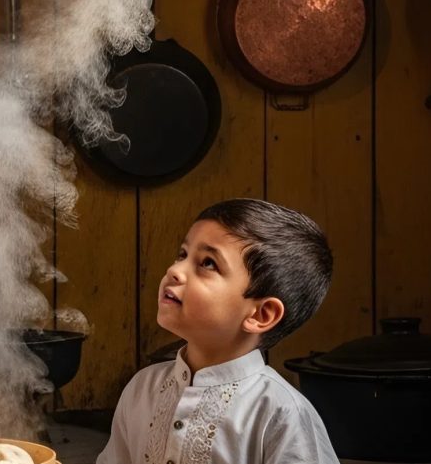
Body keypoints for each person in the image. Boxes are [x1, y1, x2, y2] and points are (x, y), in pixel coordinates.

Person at [97, 198, 338, 464]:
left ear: (260, 315)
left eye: (208, 263)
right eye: (182, 254)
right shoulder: (142, 388)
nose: (174, 270)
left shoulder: (280, 412)